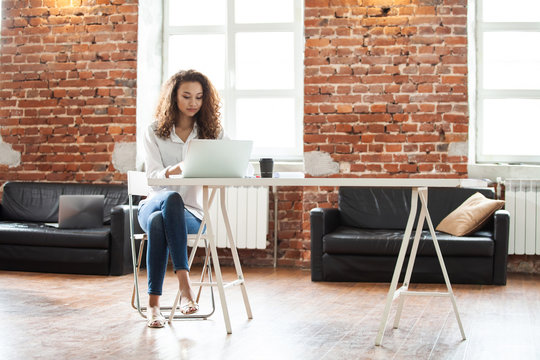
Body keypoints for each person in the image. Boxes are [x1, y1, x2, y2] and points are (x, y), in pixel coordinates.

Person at [138, 69, 224, 328]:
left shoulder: (212, 132)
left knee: (157, 223)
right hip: (154, 201)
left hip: (193, 215)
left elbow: (239, 163)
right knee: (170, 198)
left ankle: (154, 306)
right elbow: (152, 177)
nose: (193, 103)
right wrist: (176, 169)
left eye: (198, 97)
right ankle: (185, 289)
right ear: (173, 97)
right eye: (186, 96)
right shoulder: (153, 131)